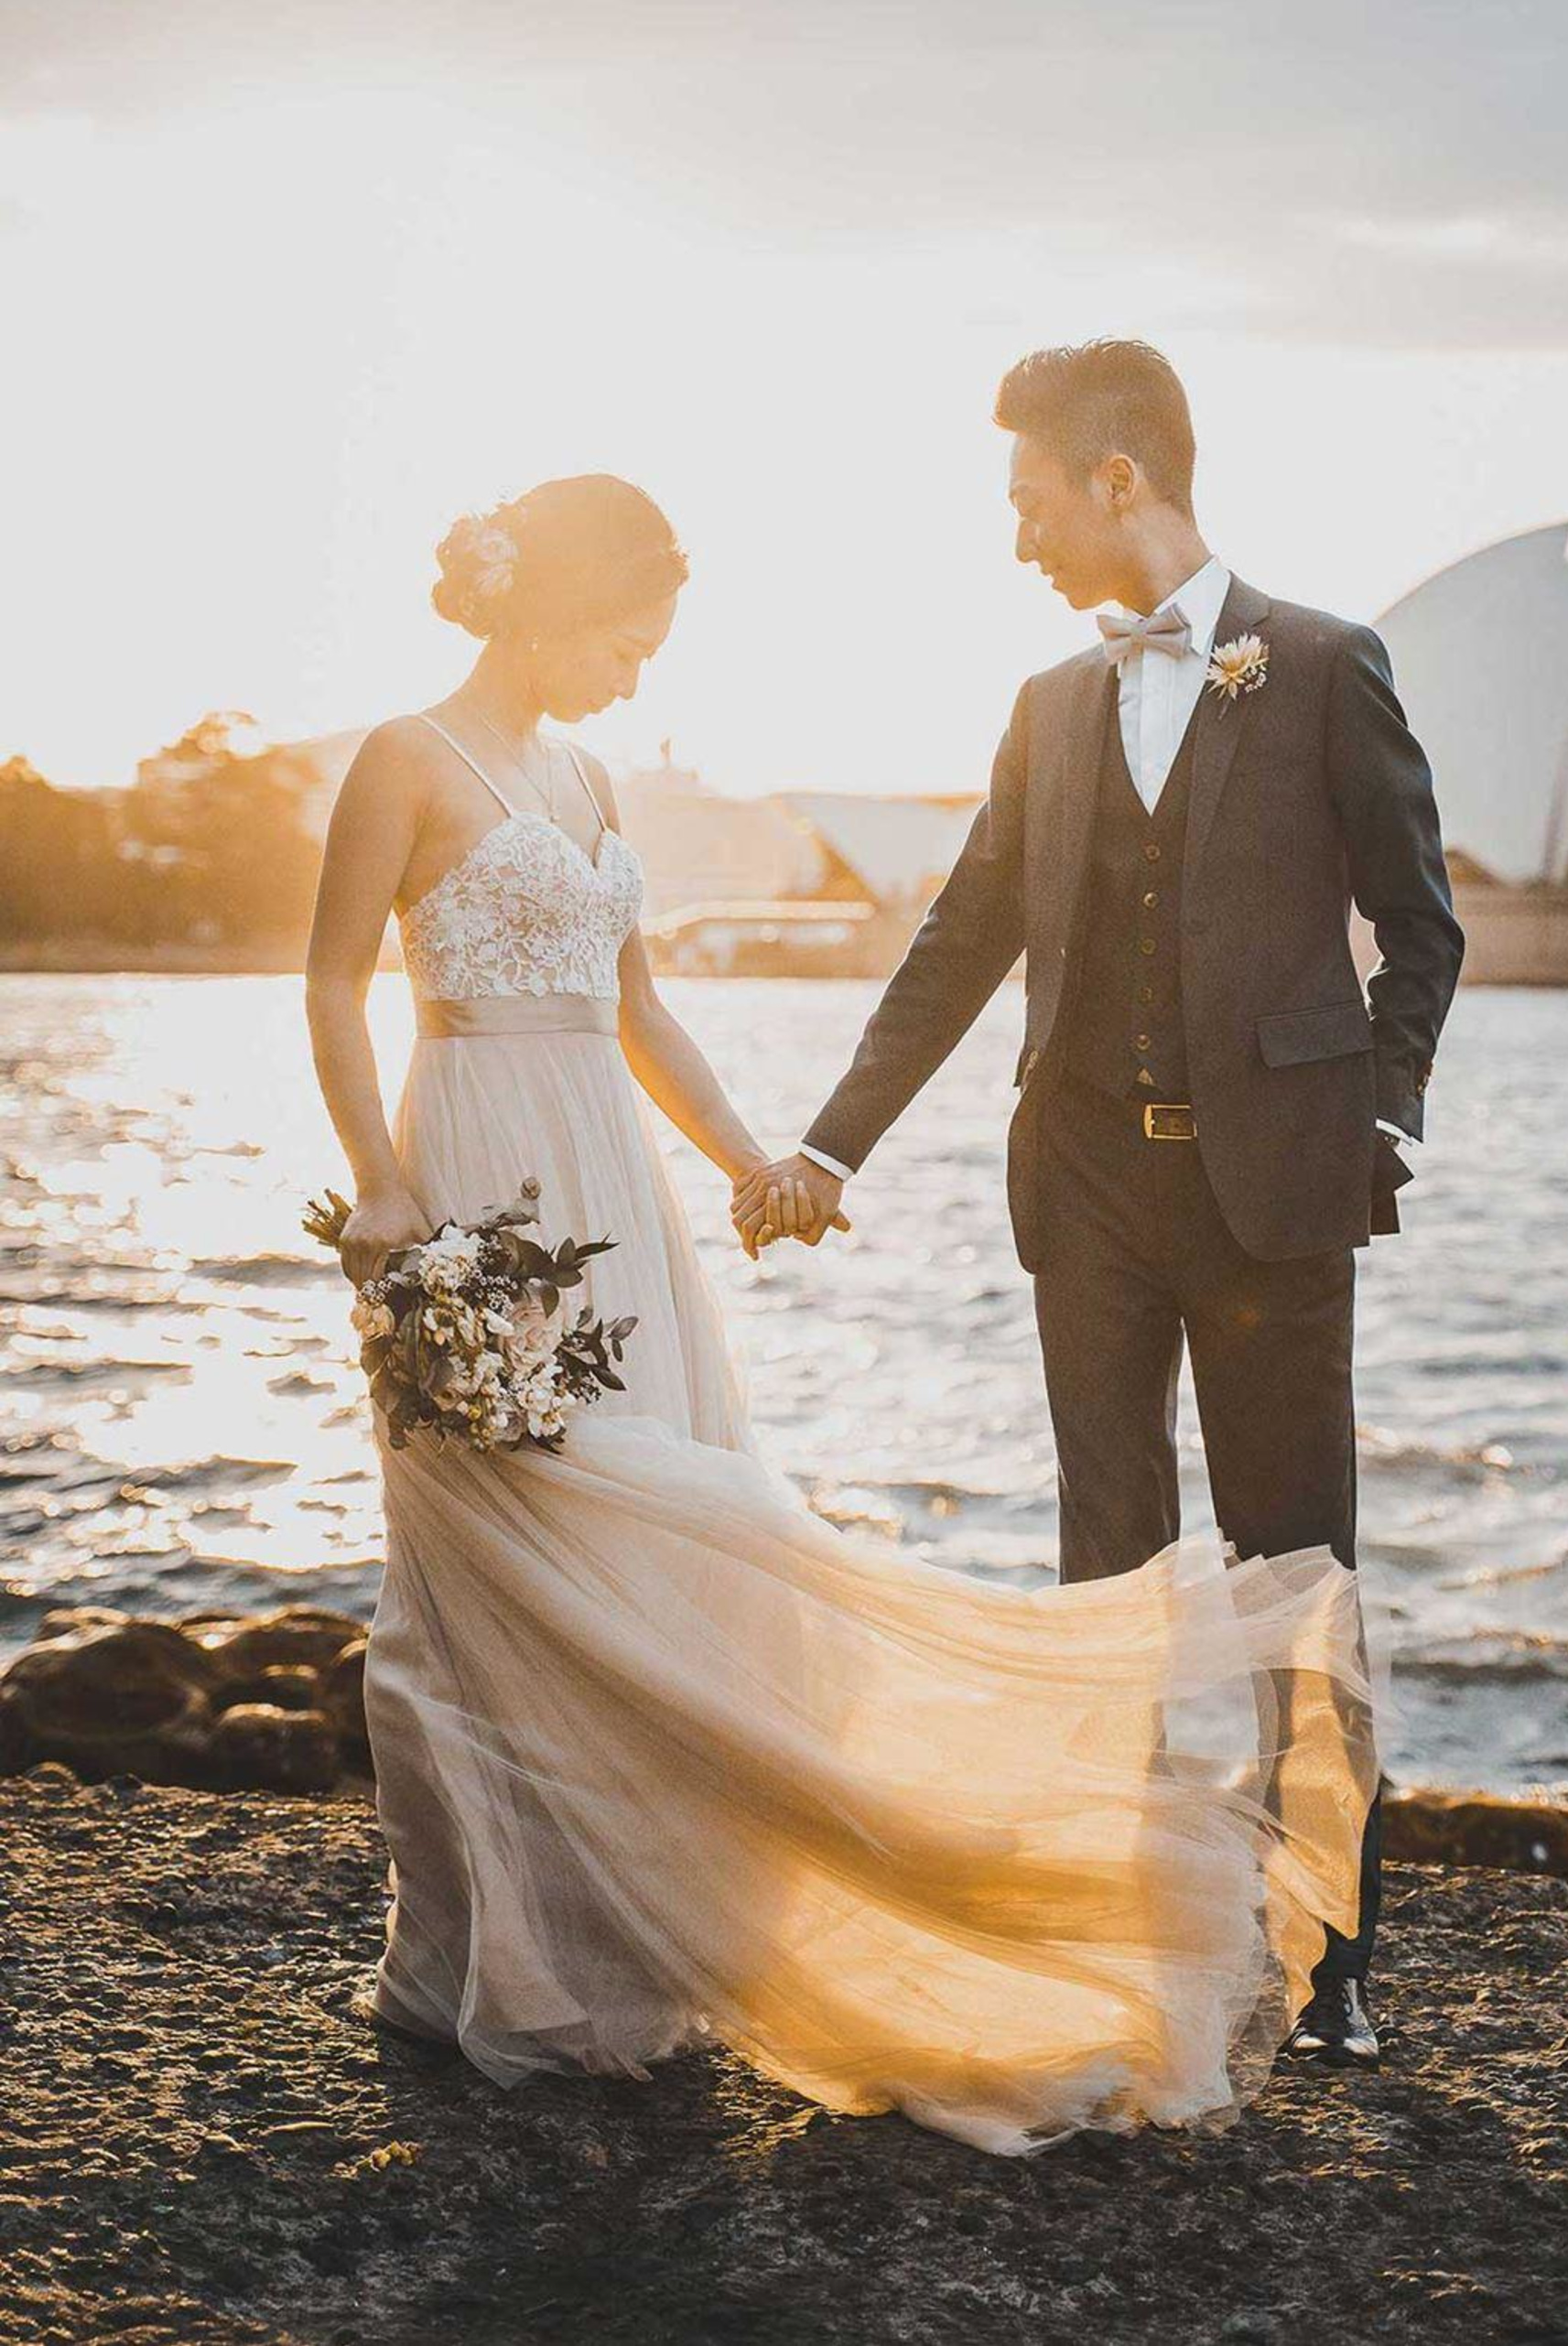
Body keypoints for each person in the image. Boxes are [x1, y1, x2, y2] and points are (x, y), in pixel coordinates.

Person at [305, 465, 1377, 2158]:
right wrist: (379, 1184)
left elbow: (639, 1009)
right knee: (476, 1563)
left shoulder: (584, 777)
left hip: (610, 1185)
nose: (636, 679)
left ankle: (622, 1938)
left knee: (654, 1540)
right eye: (627, 640)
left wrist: (760, 1162)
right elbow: (326, 980)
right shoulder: (400, 759)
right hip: (474, 1169)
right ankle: (473, 1964)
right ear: (547, 601)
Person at [735, 341, 1464, 2066]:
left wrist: (1385, 1118)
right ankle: (1122, 1928)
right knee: (1106, 1571)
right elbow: (963, 937)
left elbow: (1421, 925)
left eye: (1028, 499)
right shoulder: (1048, 706)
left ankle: (1335, 1955)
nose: (1019, 540)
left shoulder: (1327, 664)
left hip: (1277, 1192)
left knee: (1303, 1570)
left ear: (1117, 478)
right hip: (1084, 1190)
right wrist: (835, 1145)